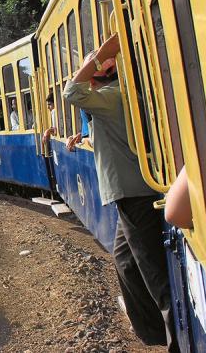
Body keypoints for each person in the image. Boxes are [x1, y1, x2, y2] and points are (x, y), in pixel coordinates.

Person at [63, 33, 179, 352]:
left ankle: (175, 342)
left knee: (153, 272)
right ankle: (153, 330)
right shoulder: (113, 98)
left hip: (133, 193)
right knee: (126, 260)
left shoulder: (111, 97)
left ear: (99, 74)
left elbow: (71, 92)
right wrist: (82, 138)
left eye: (88, 69)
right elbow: (111, 136)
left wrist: (96, 57)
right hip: (128, 191)